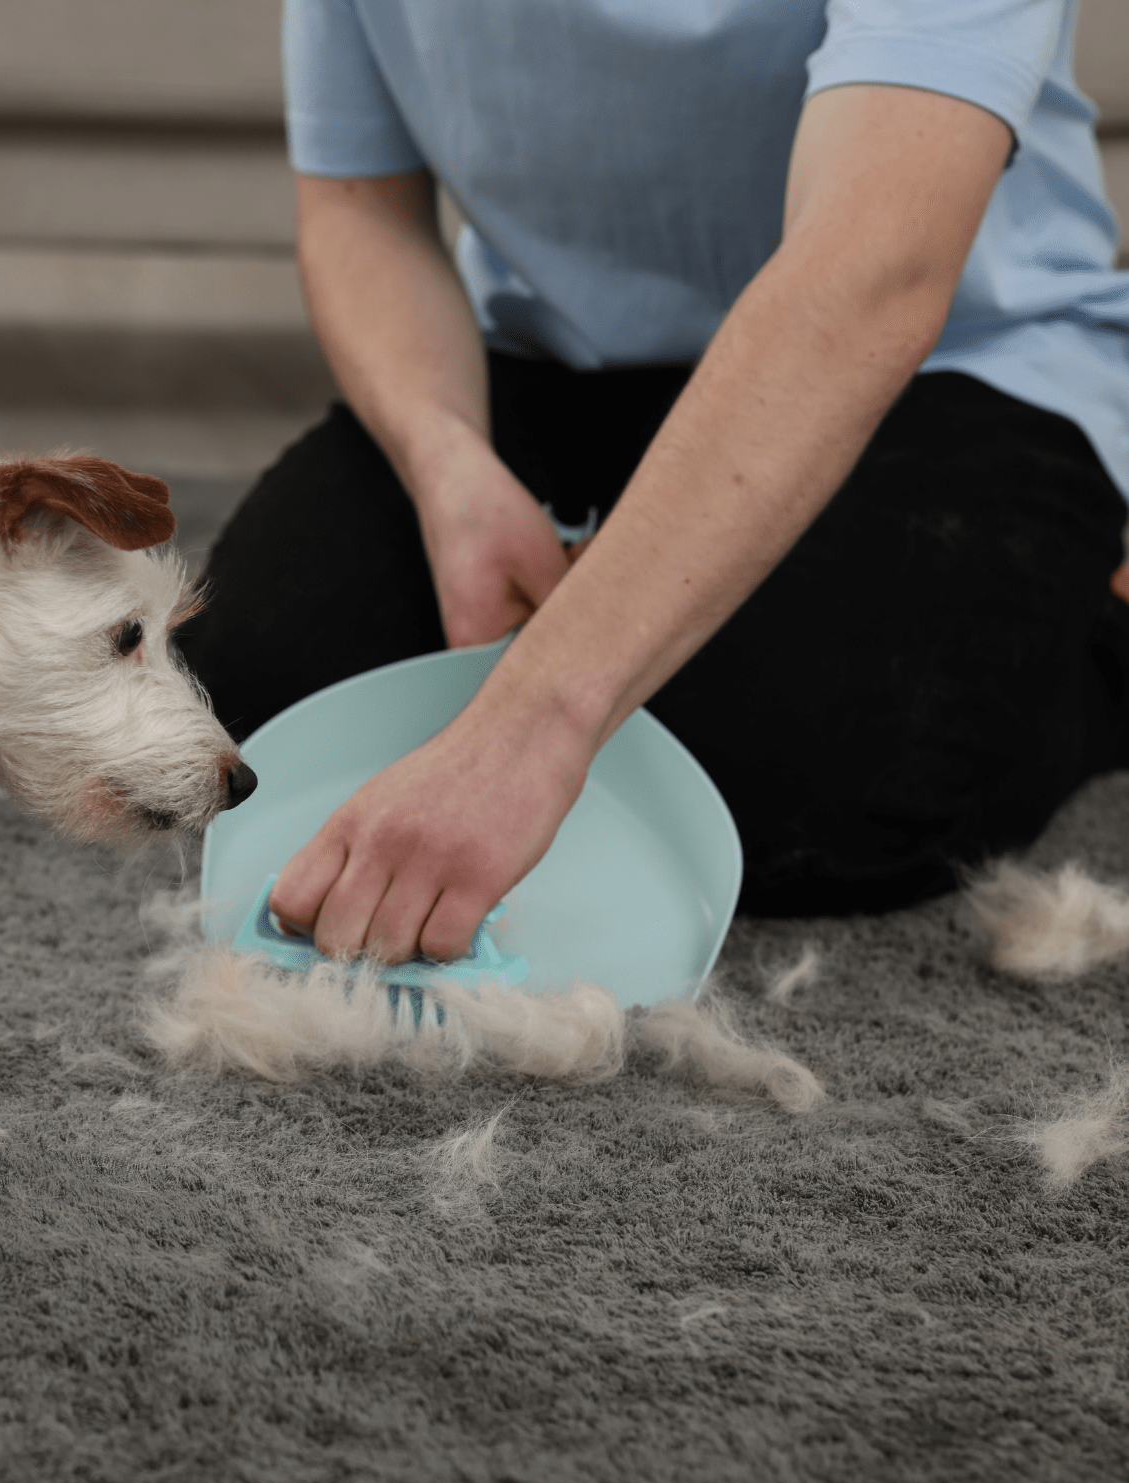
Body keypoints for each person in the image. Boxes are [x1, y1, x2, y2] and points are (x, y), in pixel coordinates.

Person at [173, 0, 1129, 965]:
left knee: (812, 781)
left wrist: (531, 725)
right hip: (562, 360)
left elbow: (872, 268)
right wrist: (446, 460)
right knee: (257, 690)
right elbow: (359, 210)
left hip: (939, 367)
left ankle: (1103, 627)